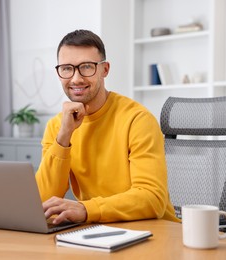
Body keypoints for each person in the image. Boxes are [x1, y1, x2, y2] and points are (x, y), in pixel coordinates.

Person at [35, 29, 179, 225]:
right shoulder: (57, 127)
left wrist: (87, 209)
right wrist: (64, 136)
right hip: (98, 233)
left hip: (155, 233)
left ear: (105, 69)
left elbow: (152, 199)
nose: (76, 78)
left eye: (86, 67)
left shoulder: (137, 120)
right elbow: (43, 201)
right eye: (67, 68)